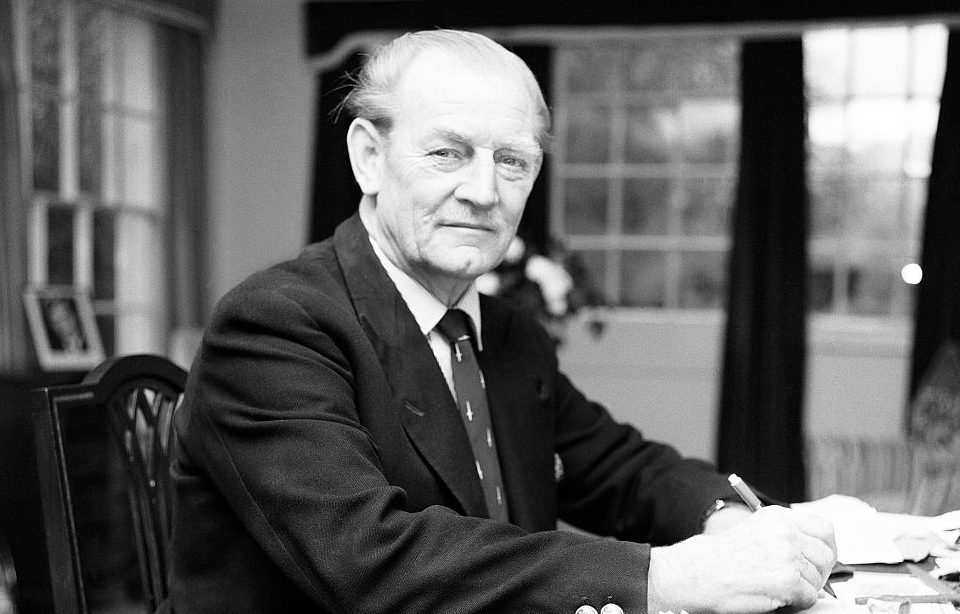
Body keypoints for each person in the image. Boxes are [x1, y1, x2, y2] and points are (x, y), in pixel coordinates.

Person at [170, 29, 836, 613]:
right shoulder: (275, 326)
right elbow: (370, 564)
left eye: (512, 161)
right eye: (448, 154)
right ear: (368, 157)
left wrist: (726, 520)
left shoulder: (505, 331)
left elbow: (619, 468)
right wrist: (667, 576)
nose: (484, 192)